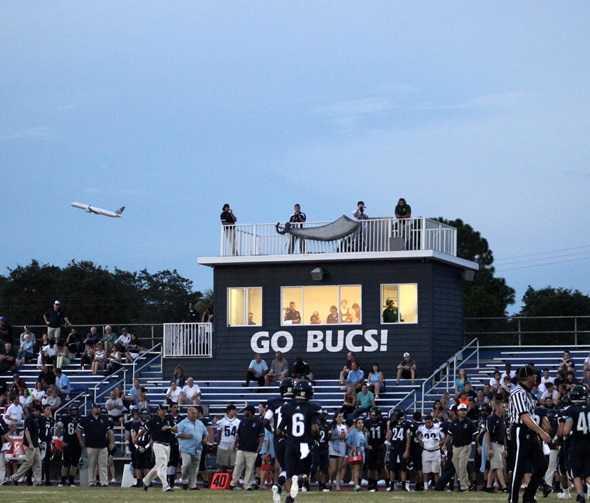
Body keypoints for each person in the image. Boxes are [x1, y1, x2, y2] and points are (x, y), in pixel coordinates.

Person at [508, 365, 552, 503]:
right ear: (528, 377)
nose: (536, 378)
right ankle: (513, 499)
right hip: (521, 429)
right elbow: (524, 417)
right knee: (519, 467)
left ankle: (528, 496)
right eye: (533, 375)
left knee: (541, 465)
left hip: (529, 431)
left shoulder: (528, 393)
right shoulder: (518, 392)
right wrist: (542, 432)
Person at [276, 379, 320, 503]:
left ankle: (289, 498)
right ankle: (299, 480)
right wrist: (316, 436)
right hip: (304, 445)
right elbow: (314, 428)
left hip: (290, 445)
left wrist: (287, 435)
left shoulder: (287, 408)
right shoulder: (312, 407)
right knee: (305, 474)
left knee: (289, 474)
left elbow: (278, 431)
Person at [136, 404, 178, 492]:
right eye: (162, 409)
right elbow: (144, 429)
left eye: (165, 409)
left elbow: (176, 429)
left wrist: (169, 427)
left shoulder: (169, 418)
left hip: (167, 445)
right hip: (158, 444)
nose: (164, 411)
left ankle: (146, 481)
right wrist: (136, 438)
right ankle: (166, 486)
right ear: (158, 411)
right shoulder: (153, 420)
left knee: (159, 466)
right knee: (162, 464)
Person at [561, 385, 590, 503]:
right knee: (588, 473)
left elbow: (566, 431)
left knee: (576, 473)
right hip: (589, 443)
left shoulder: (571, 410)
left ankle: (581, 495)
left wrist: (566, 436)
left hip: (577, 444)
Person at [77, 402, 115, 487]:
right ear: (91, 409)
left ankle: (104, 482)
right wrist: (81, 441)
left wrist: (112, 442)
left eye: (99, 407)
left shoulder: (104, 419)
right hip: (91, 446)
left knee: (103, 465)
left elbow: (109, 432)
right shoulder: (86, 419)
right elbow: (79, 430)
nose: (98, 409)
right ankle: (92, 482)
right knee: (91, 465)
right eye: (96, 407)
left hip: (102, 446)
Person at [229, 405, 264, 490]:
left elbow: (261, 436)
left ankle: (247, 485)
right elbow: (239, 435)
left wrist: (260, 445)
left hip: (252, 449)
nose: (244, 413)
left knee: (250, 467)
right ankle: (233, 483)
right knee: (238, 465)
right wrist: (235, 444)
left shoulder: (258, 422)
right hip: (241, 447)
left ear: (250, 412)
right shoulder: (242, 422)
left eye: (246, 411)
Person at [444, 403, 477, 492]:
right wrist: (444, 444)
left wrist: (479, 445)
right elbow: (449, 435)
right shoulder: (454, 422)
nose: (463, 412)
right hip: (456, 447)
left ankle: (464, 487)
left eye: (464, 410)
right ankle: (467, 483)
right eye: (461, 410)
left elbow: (475, 435)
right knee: (457, 465)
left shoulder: (469, 423)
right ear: (458, 412)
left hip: (465, 446)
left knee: (462, 465)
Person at [176, 406, 208, 491]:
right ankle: (185, 481)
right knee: (186, 464)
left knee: (195, 468)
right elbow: (176, 433)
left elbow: (205, 433)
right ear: (188, 413)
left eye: (195, 413)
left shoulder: (200, 423)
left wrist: (205, 438)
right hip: (186, 448)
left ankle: (192, 484)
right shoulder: (182, 423)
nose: (194, 415)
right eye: (192, 413)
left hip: (197, 448)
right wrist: (186, 436)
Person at [10, 403, 43, 485]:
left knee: (38, 463)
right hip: (29, 445)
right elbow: (27, 431)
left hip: (35, 444)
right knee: (28, 462)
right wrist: (30, 443)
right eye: (39, 412)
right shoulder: (29, 419)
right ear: (35, 410)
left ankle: (37, 481)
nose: (40, 414)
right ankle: (15, 477)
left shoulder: (35, 419)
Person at [484, 399, 509, 493]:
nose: (505, 409)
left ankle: (488, 486)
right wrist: (489, 447)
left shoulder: (502, 419)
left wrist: (505, 447)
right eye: (503, 407)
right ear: (498, 408)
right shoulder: (492, 419)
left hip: (501, 445)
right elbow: (487, 433)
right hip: (494, 444)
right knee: (499, 466)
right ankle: (504, 486)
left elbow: (504, 434)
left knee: (494, 467)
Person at [417, 414, 445, 490]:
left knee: (436, 471)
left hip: (435, 451)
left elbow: (444, 437)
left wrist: (441, 443)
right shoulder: (422, 428)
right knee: (425, 471)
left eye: (429, 422)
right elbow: (418, 433)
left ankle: (438, 488)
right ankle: (425, 488)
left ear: (432, 421)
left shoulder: (438, 427)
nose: (427, 424)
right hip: (426, 451)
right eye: (426, 422)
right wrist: (420, 441)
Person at [56, 405, 82, 487]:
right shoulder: (65, 418)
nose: (74, 411)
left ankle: (71, 481)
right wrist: (61, 440)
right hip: (67, 443)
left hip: (77, 443)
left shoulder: (80, 419)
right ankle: (62, 481)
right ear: (69, 411)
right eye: (73, 410)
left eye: (75, 410)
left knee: (75, 463)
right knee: (66, 463)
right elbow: (57, 429)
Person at [387, 409, 411, 491]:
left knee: (403, 467)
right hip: (393, 446)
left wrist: (407, 450)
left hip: (402, 447)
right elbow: (388, 438)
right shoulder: (392, 424)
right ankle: (392, 486)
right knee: (392, 467)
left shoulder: (406, 424)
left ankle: (404, 486)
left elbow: (408, 439)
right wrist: (388, 427)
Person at [216, 403, 241, 473]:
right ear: (228, 411)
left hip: (234, 445)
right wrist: (218, 445)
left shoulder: (238, 422)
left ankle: (233, 482)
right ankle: (224, 481)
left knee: (234, 465)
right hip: (223, 445)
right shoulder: (221, 422)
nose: (235, 412)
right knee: (223, 465)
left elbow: (239, 434)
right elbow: (219, 434)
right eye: (233, 410)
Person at [328, 411, 347, 491]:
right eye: (339, 417)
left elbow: (346, 437)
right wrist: (338, 437)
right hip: (333, 447)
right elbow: (329, 438)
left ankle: (337, 486)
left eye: (341, 417)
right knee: (333, 469)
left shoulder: (344, 427)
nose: (340, 418)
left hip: (342, 446)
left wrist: (343, 437)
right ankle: (331, 481)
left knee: (339, 468)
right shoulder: (332, 426)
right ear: (335, 418)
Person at [346, 417, 366, 492]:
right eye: (359, 423)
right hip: (355, 452)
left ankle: (358, 483)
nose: (361, 424)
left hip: (362, 452)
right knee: (356, 469)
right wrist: (353, 447)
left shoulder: (364, 432)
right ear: (356, 424)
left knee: (360, 469)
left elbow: (365, 443)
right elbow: (347, 442)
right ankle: (356, 484)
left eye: (362, 423)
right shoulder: (353, 432)